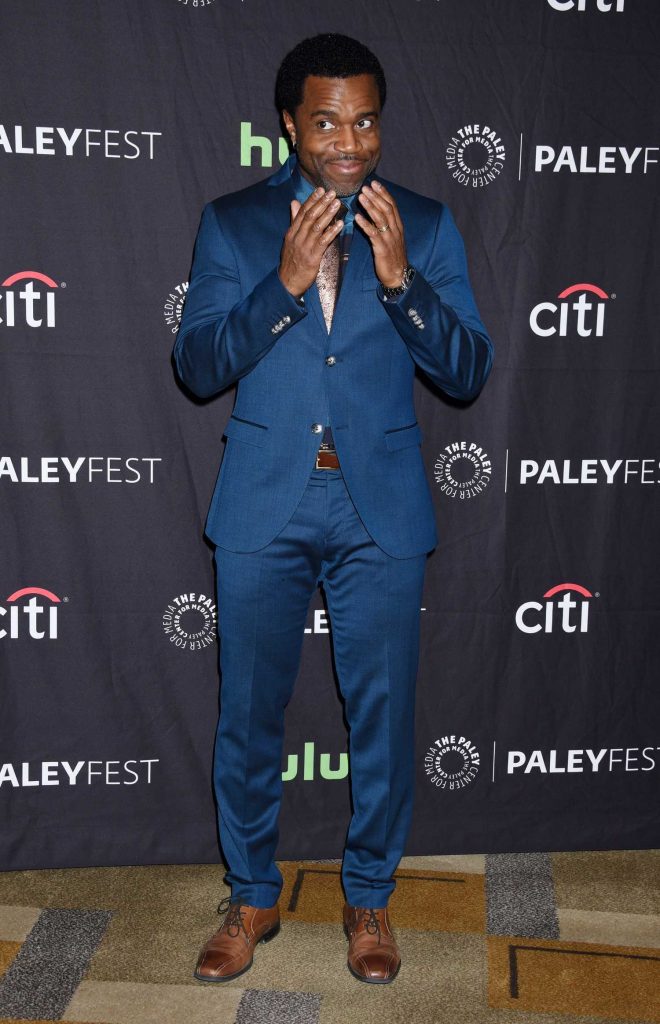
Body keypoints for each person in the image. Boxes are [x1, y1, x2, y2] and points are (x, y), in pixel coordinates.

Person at [174, 32, 493, 985]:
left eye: (363, 120)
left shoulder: (425, 225)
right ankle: (253, 895)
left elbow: (469, 370)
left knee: (385, 715)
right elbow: (196, 366)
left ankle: (370, 898)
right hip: (267, 497)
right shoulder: (232, 223)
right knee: (248, 716)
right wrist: (281, 284)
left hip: (379, 505)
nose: (347, 140)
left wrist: (402, 284)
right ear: (289, 124)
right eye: (326, 120)